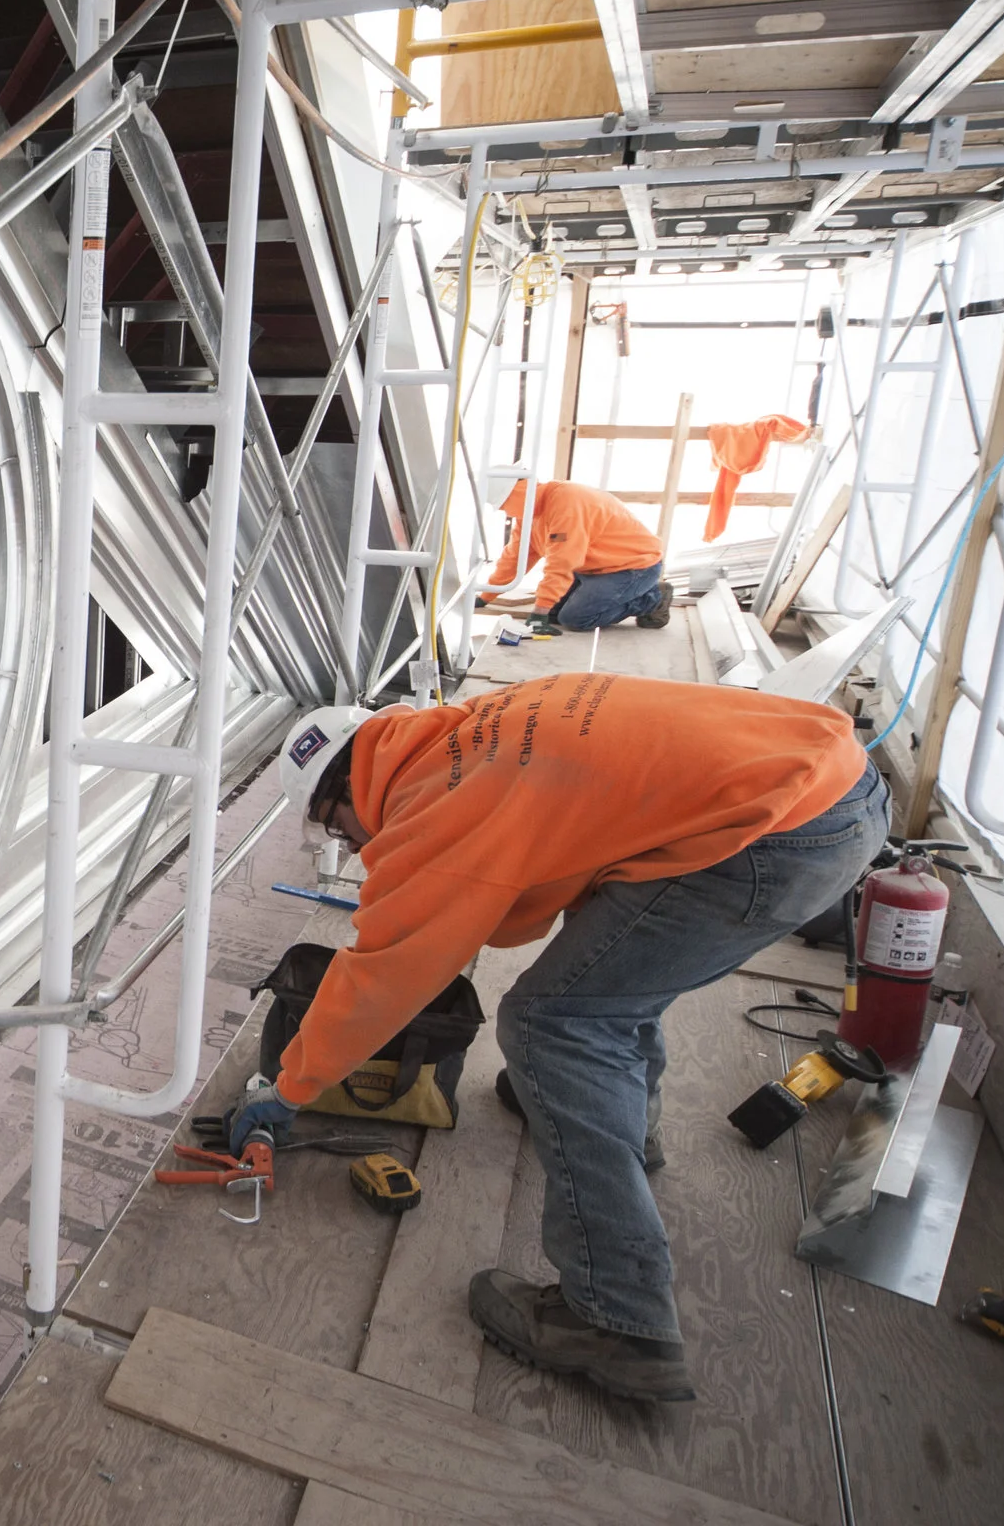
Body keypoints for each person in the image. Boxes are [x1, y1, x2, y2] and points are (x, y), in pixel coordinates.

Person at [234, 678, 883, 1403]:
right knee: (609, 973)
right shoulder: (470, 731)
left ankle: (618, 1319)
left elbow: (384, 974)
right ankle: (625, 1128)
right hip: (829, 780)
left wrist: (288, 1085)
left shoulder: (438, 816)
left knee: (553, 1025)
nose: (351, 848)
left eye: (337, 832)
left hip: (775, 839)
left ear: (341, 798)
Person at [479, 479, 671, 631]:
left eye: (503, 505)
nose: (504, 511)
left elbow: (562, 562)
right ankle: (627, 594)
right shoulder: (529, 515)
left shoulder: (566, 504)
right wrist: (486, 596)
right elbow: (515, 558)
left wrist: (539, 612)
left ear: (515, 495)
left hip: (632, 567)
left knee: (576, 618)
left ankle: (652, 599)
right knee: (553, 614)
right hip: (592, 568)